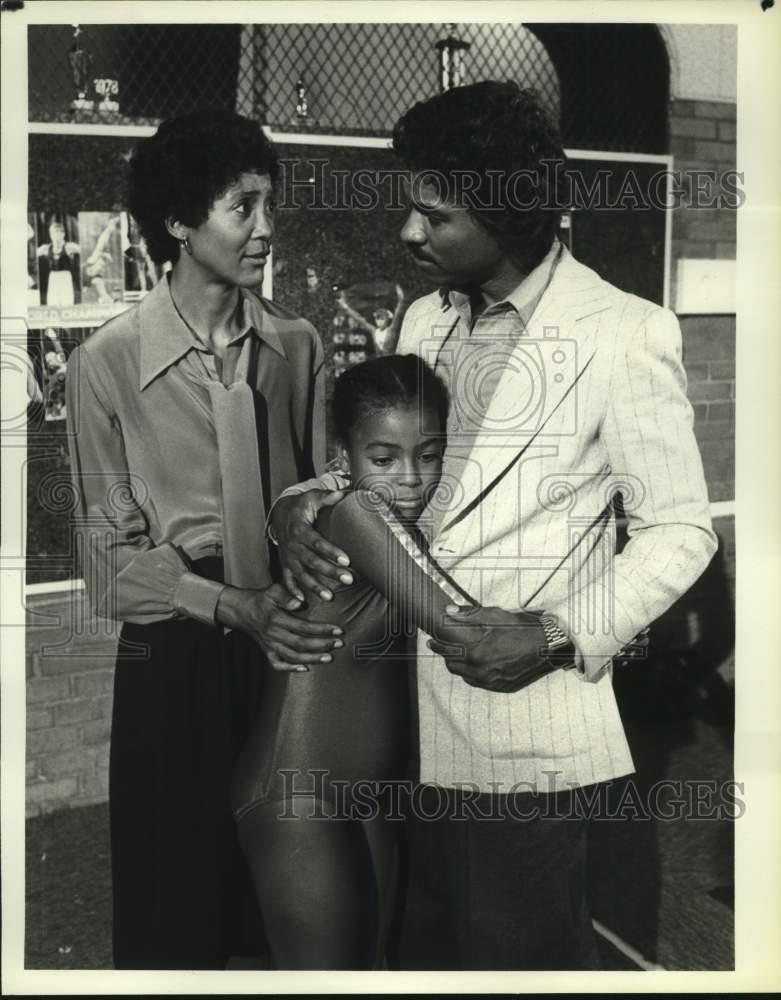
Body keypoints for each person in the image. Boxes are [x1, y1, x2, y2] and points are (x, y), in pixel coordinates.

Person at [269, 81, 717, 970]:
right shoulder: (422, 317)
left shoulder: (624, 334)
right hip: (395, 726)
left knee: (522, 964)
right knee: (413, 957)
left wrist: (553, 633)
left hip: (524, 736)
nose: (406, 233)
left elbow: (680, 530)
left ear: (507, 215)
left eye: (432, 216)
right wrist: (294, 513)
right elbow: (364, 468)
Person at [65, 109, 342, 970]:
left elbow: (327, 487)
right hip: (175, 655)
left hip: (288, 648)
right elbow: (107, 563)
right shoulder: (104, 364)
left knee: (283, 901)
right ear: (181, 223)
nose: (265, 227)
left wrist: (309, 515)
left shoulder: (297, 348)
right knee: (172, 904)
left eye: (270, 203)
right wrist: (229, 603)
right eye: (241, 206)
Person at [233, 353, 493, 970]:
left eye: (428, 455)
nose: (410, 478)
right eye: (384, 459)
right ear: (342, 456)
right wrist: (569, 630)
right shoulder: (355, 515)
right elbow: (463, 629)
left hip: (371, 795)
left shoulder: (397, 529)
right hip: (297, 797)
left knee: (373, 972)